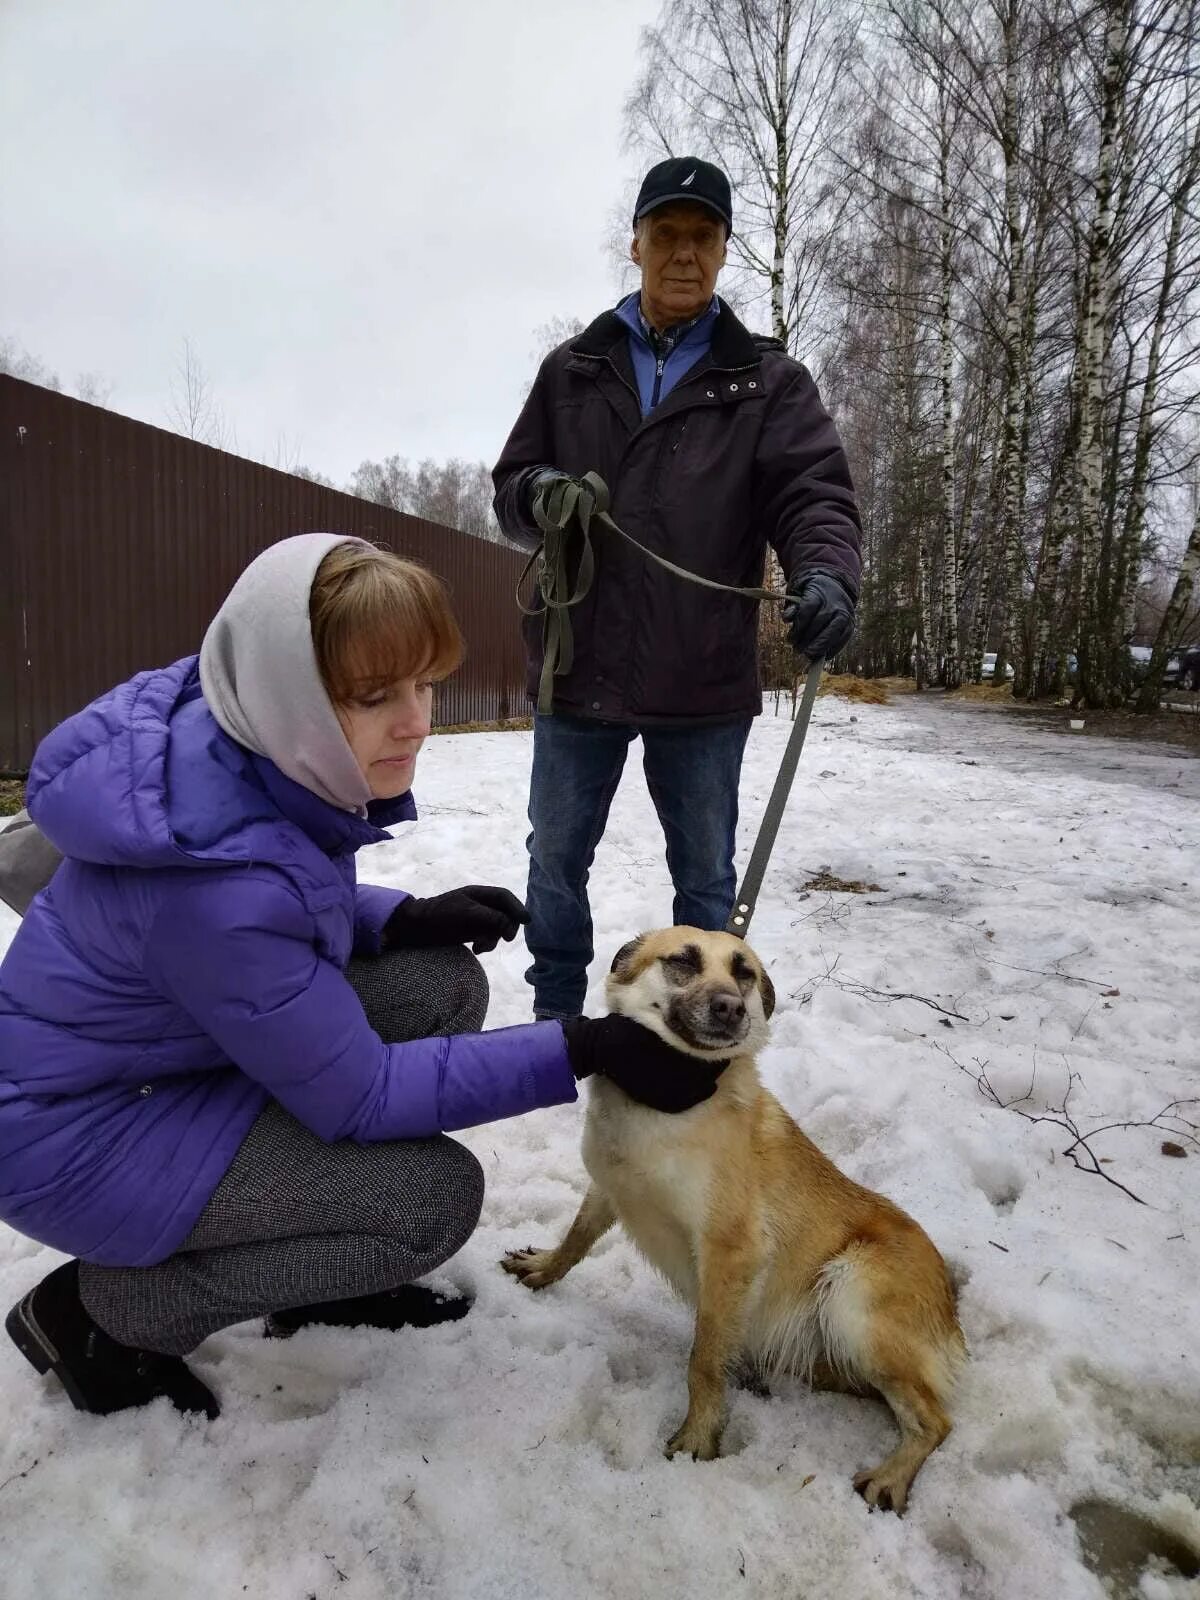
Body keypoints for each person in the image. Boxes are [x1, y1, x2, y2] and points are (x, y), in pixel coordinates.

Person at [0, 533, 716, 1421]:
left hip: (156, 1067)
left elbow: (270, 896)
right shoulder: (212, 892)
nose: (418, 720)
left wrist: (397, 918)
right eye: (376, 696)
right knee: (428, 1201)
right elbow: (355, 1086)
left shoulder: (240, 743)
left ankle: (318, 1277)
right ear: (286, 694)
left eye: (424, 684)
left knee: (439, 985)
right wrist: (580, 1046)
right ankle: (102, 1315)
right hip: (81, 1143)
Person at [493, 156, 863, 1022]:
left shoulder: (768, 381)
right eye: (668, 235)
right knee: (554, 859)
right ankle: (555, 1020)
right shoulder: (573, 368)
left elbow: (815, 493)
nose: (685, 254)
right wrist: (540, 493)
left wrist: (826, 574)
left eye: (703, 236)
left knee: (704, 875)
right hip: (578, 670)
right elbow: (511, 485)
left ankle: (702, 1025)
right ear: (637, 244)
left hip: (702, 677)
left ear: (726, 249)